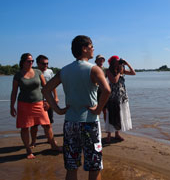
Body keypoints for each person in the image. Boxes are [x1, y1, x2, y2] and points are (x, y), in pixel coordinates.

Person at [42, 35, 111, 180]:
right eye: (91, 46)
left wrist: (59, 110)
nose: (93, 49)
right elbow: (107, 90)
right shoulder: (94, 69)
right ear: (84, 49)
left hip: (70, 124)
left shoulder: (64, 70)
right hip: (89, 123)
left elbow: (46, 90)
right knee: (94, 167)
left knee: (72, 167)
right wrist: (98, 110)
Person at [10, 53, 60, 159]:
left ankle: (53, 145)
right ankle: (28, 150)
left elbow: (46, 87)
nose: (31, 63)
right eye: (29, 61)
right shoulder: (18, 75)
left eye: (32, 61)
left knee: (47, 124)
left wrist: (49, 101)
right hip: (24, 105)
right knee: (25, 128)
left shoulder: (38, 72)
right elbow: (14, 92)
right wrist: (11, 106)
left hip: (39, 103)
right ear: (23, 62)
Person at [29, 54, 59, 147]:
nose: (45, 65)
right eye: (43, 64)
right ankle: (33, 142)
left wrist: (56, 97)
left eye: (47, 63)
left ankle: (49, 139)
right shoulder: (33, 72)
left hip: (48, 100)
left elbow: (53, 85)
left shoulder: (50, 71)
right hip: (36, 101)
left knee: (49, 122)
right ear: (37, 63)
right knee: (34, 124)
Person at [105, 55, 136, 143]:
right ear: (112, 63)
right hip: (113, 97)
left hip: (121, 97)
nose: (117, 64)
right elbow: (114, 80)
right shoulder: (108, 71)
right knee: (111, 116)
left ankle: (117, 134)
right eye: (116, 62)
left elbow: (133, 73)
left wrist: (127, 63)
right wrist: (119, 72)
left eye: (118, 62)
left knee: (119, 116)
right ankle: (109, 135)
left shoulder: (121, 70)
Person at [95, 55, 107, 121]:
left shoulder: (105, 70)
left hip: (103, 91)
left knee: (105, 111)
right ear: (96, 61)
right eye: (99, 59)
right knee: (96, 110)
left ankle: (107, 128)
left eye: (102, 59)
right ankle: (97, 125)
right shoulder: (93, 68)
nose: (101, 61)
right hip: (95, 91)